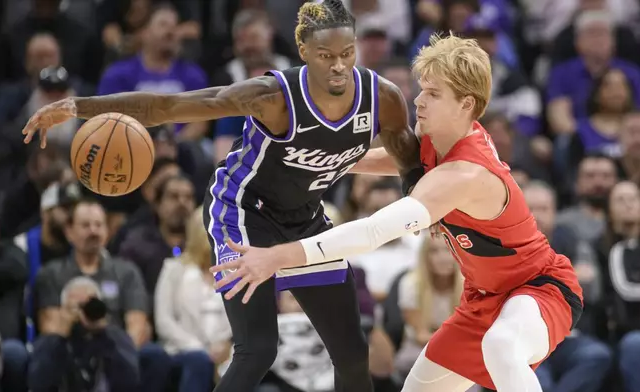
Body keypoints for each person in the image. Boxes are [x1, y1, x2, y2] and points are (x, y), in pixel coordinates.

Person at [21, 1, 423, 391]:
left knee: (353, 352)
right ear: (302, 52)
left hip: (304, 217)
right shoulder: (272, 96)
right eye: (325, 55)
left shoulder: (381, 98)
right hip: (243, 213)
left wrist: (428, 207)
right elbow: (169, 106)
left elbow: (409, 159)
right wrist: (79, 107)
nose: (338, 66)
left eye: (347, 53)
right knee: (258, 350)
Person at [210, 34, 585, 392]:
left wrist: (277, 256)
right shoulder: (442, 140)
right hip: (482, 298)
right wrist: (318, 158)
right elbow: (385, 158)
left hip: (538, 289)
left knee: (502, 345)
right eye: (422, 89)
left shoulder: (466, 173)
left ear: (466, 104)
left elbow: (373, 231)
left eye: (433, 94)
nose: (418, 100)